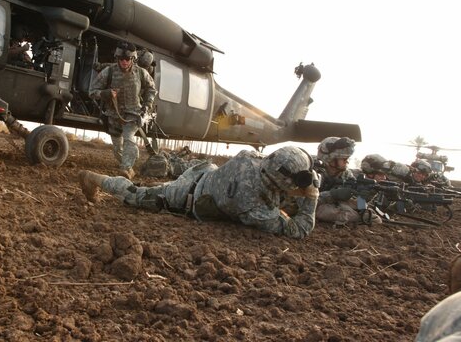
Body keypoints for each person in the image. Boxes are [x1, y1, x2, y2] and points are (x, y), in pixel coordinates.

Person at [78, 146, 320, 239]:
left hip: (205, 173)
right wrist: (312, 198)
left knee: (155, 185)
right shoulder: (253, 208)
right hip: (186, 195)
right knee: (136, 195)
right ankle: (95, 179)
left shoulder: (253, 158)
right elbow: (298, 230)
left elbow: (277, 191)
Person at [89, 41, 157, 179]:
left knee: (128, 139)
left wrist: (147, 105)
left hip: (133, 115)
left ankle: (126, 170)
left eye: (127, 59)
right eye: (121, 59)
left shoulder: (141, 73)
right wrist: (105, 93)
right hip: (114, 116)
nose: (124, 62)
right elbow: (92, 91)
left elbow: (151, 89)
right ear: (117, 58)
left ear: (133, 59)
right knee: (117, 149)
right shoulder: (108, 72)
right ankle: (130, 161)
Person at [314, 136, 381, 224]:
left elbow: (356, 200)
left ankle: (360, 218)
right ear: (331, 159)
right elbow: (304, 200)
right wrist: (331, 194)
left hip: (335, 204)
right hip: (315, 205)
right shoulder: (314, 172)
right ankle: (360, 219)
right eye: (344, 159)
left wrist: (363, 198)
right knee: (323, 211)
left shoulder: (346, 174)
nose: (347, 162)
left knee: (372, 216)